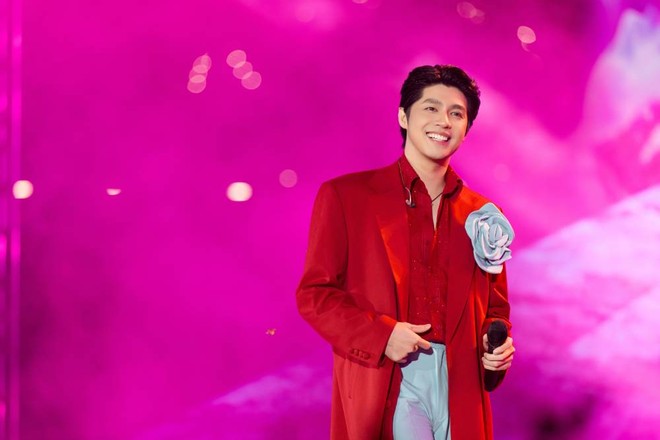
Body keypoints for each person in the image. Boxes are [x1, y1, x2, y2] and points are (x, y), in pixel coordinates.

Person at [296, 65, 515, 440]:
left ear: (466, 129)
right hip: (389, 377)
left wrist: (495, 352)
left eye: (456, 113)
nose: (444, 121)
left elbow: (496, 311)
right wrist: (382, 335)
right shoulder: (347, 197)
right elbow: (315, 295)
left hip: (461, 387)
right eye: (431, 108)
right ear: (403, 116)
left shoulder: (482, 215)